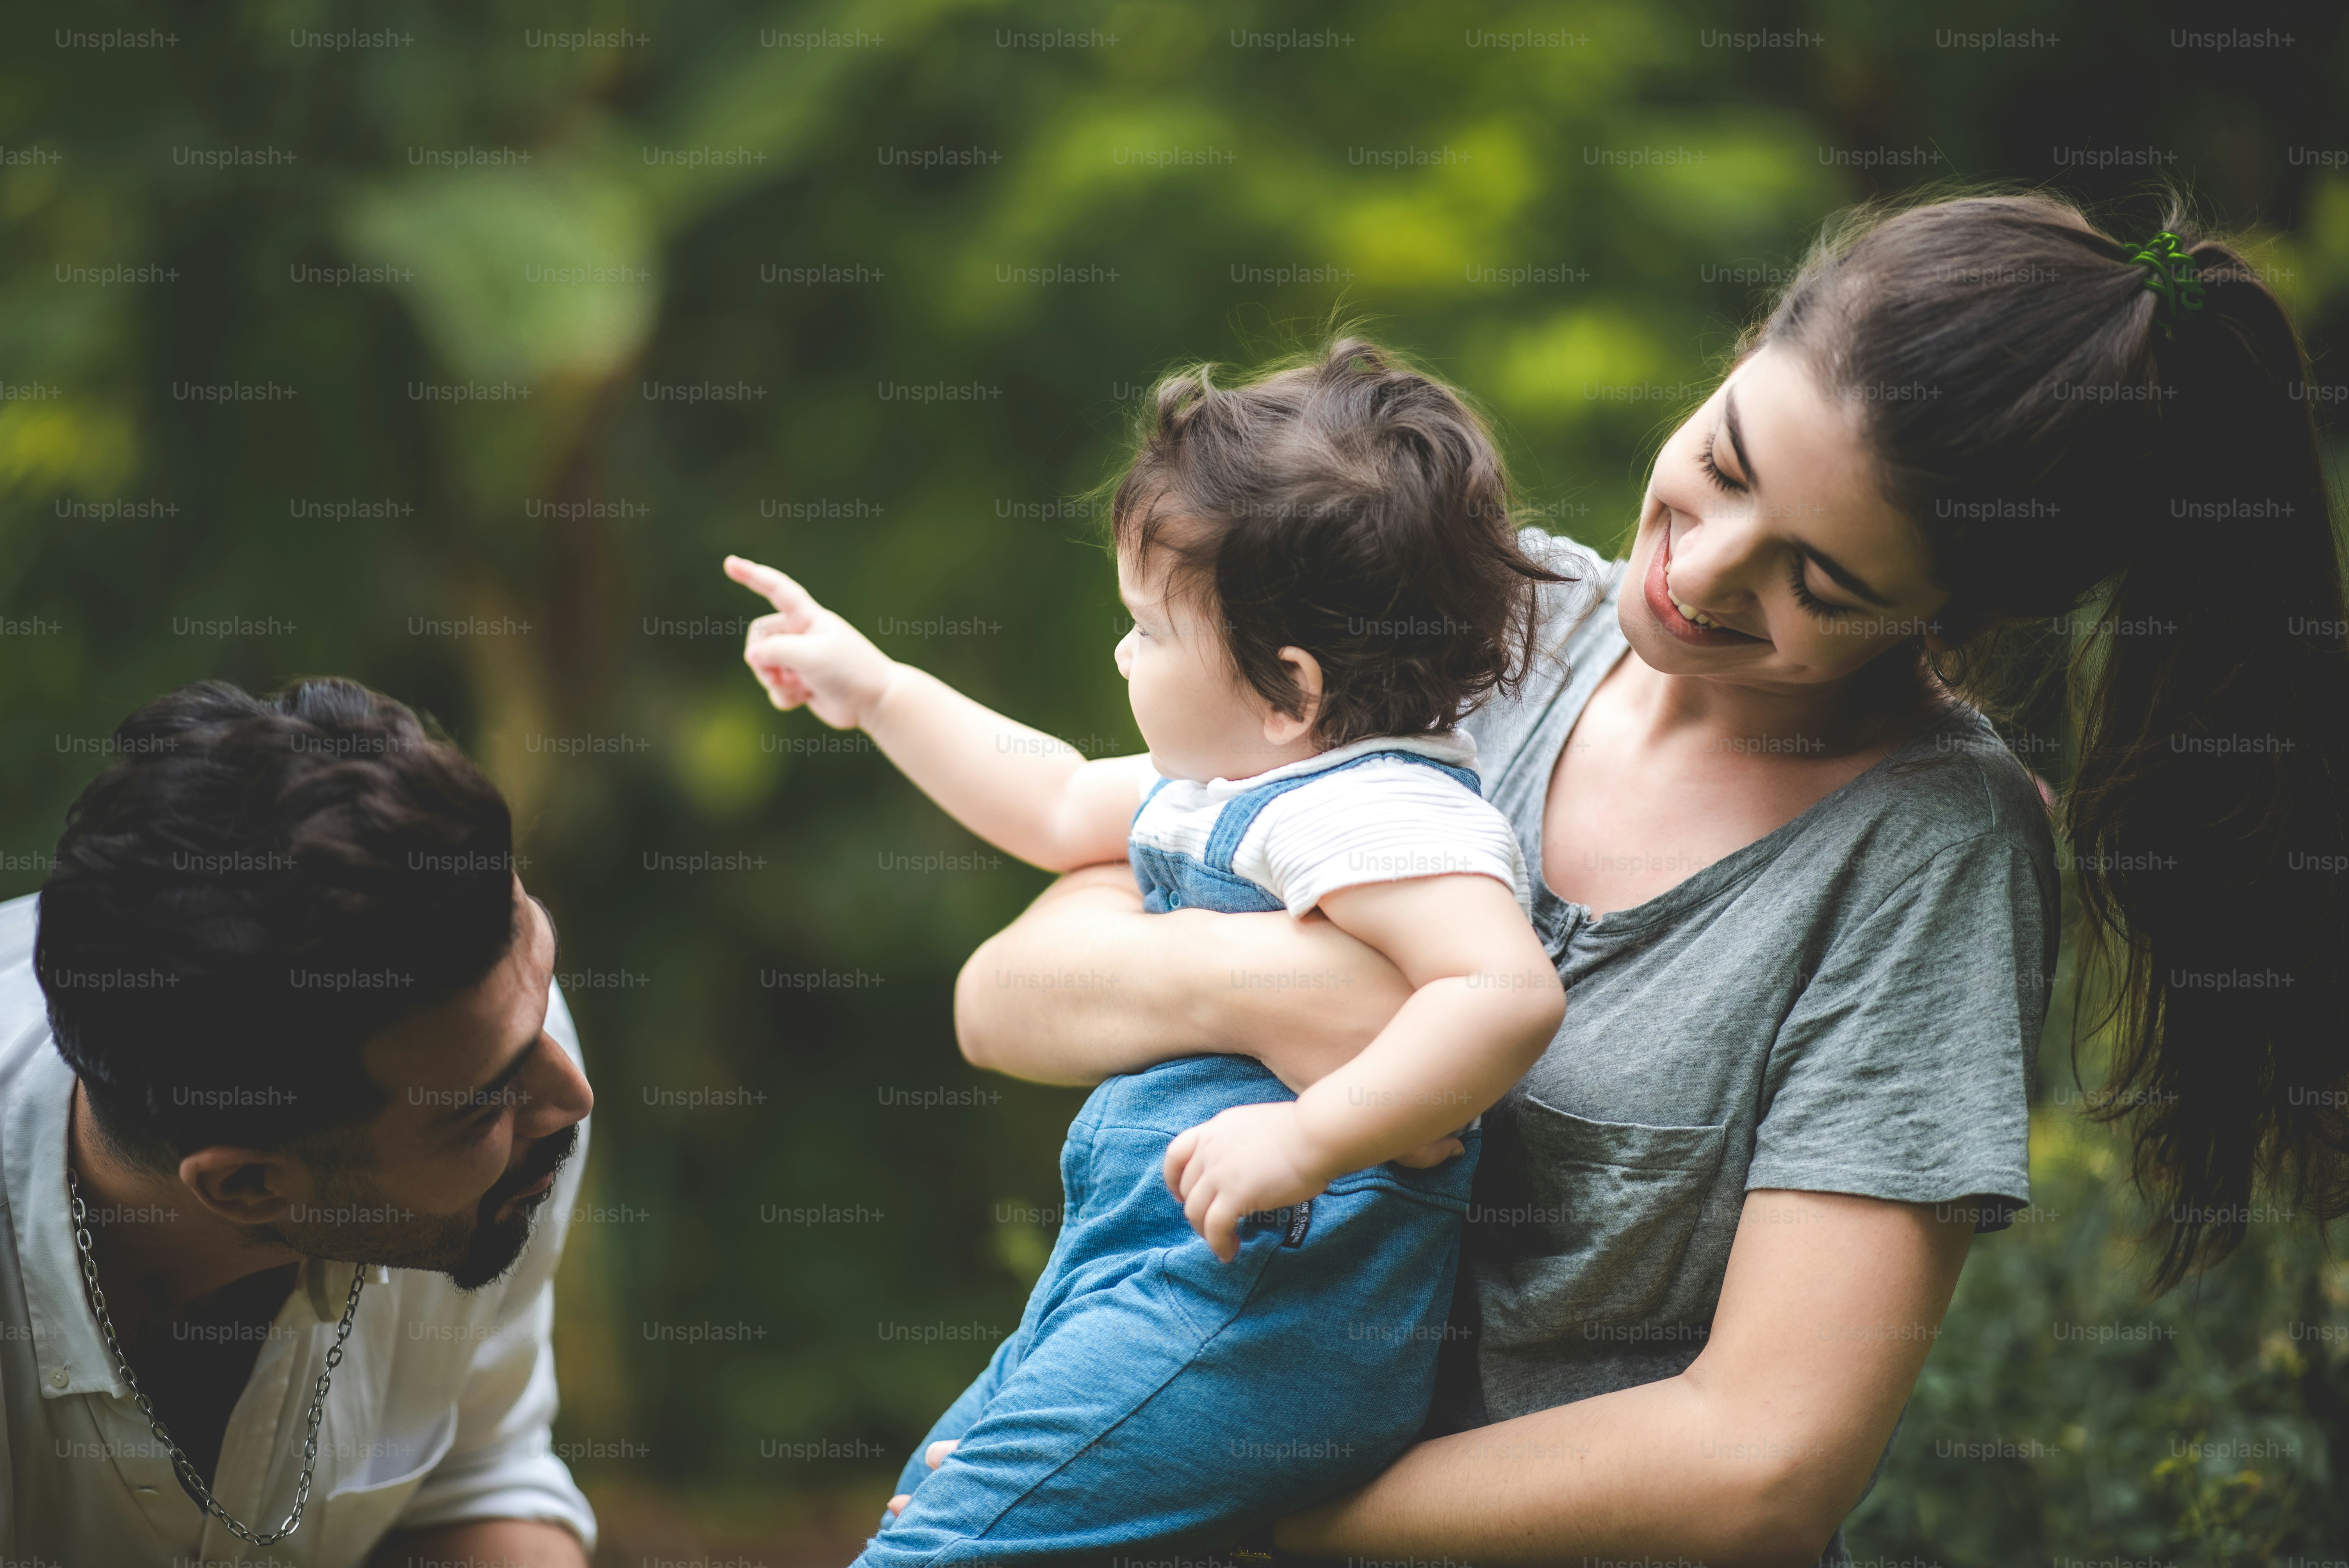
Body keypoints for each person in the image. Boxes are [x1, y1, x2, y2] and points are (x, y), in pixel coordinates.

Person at [940, 195, 2349, 1564]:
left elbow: (1757, 1467)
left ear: (1953, 611)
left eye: (1821, 580)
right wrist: (1317, 995)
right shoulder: (1479, 627)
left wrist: (1231, 1505)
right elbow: (1004, 996)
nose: (1703, 571)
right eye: (1727, 465)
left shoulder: (1927, 855)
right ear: (1740, 350)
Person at [725, 340, 1569, 1563]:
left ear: (1289, 688)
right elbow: (1058, 799)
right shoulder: (1246, 779)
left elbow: (1504, 993)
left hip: (1269, 1303)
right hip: (1148, 1275)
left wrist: (1306, 1135)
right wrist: (881, 690)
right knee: (940, 1503)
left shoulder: (1378, 810)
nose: (1123, 655)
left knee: (946, 1543)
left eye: (1149, 632)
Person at [2, 678, 600, 1568]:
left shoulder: (492, 1051)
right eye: (483, 1107)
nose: (569, 1098)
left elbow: (479, 1472)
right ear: (246, 1184)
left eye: (540, 981)